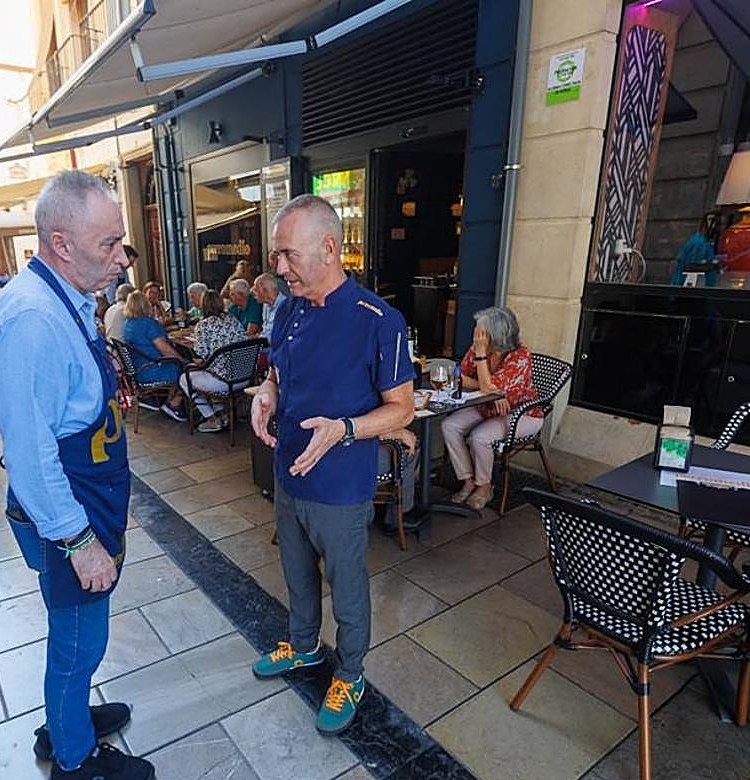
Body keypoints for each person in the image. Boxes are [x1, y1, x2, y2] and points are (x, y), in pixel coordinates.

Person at [0, 170, 155, 780]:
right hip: (66, 510)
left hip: (86, 495)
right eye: (109, 244)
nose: (120, 257)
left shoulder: (64, 296)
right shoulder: (32, 321)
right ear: (60, 242)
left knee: (80, 633)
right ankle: (76, 761)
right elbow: (29, 452)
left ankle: (66, 717)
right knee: (81, 638)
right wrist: (80, 542)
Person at [250, 194, 415, 734]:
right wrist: (267, 392)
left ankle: (350, 672)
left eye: (288, 255)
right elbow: (278, 368)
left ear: (328, 248)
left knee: (346, 586)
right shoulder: (288, 306)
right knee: (296, 574)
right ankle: (302, 648)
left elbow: (403, 408)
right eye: (276, 255)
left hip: (341, 482)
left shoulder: (378, 320)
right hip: (288, 470)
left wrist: (345, 429)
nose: (279, 267)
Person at [441, 306, 543, 510]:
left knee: (480, 437)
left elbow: (488, 387)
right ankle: (468, 480)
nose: (476, 335)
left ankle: (484, 486)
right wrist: (491, 390)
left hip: (522, 413)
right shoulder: (478, 347)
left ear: (494, 334)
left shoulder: (520, 356)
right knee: (449, 425)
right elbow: (459, 376)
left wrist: (484, 369)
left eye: (480, 331)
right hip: (486, 406)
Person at [179, 289, 247, 433]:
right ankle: (221, 413)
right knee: (211, 370)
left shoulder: (203, 325)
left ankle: (212, 418)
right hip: (244, 376)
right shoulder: (233, 320)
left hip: (223, 381)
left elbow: (199, 358)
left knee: (185, 378)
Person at [122, 291, 187, 421]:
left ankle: (168, 401)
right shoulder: (148, 323)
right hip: (153, 369)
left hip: (139, 369)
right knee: (185, 370)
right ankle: (173, 404)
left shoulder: (128, 324)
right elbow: (165, 349)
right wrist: (184, 361)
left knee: (179, 363)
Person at [671, 214, 720, 286]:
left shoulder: (707, 242)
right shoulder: (699, 242)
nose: (714, 225)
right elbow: (693, 267)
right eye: (710, 220)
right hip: (696, 287)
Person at [251, 272, 287, 339]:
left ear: (264, 291)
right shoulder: (266, 304)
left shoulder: (284, 306)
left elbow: (275, 337)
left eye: (256, 289)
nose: (252, 292)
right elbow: (266, 330)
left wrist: (257, 339)